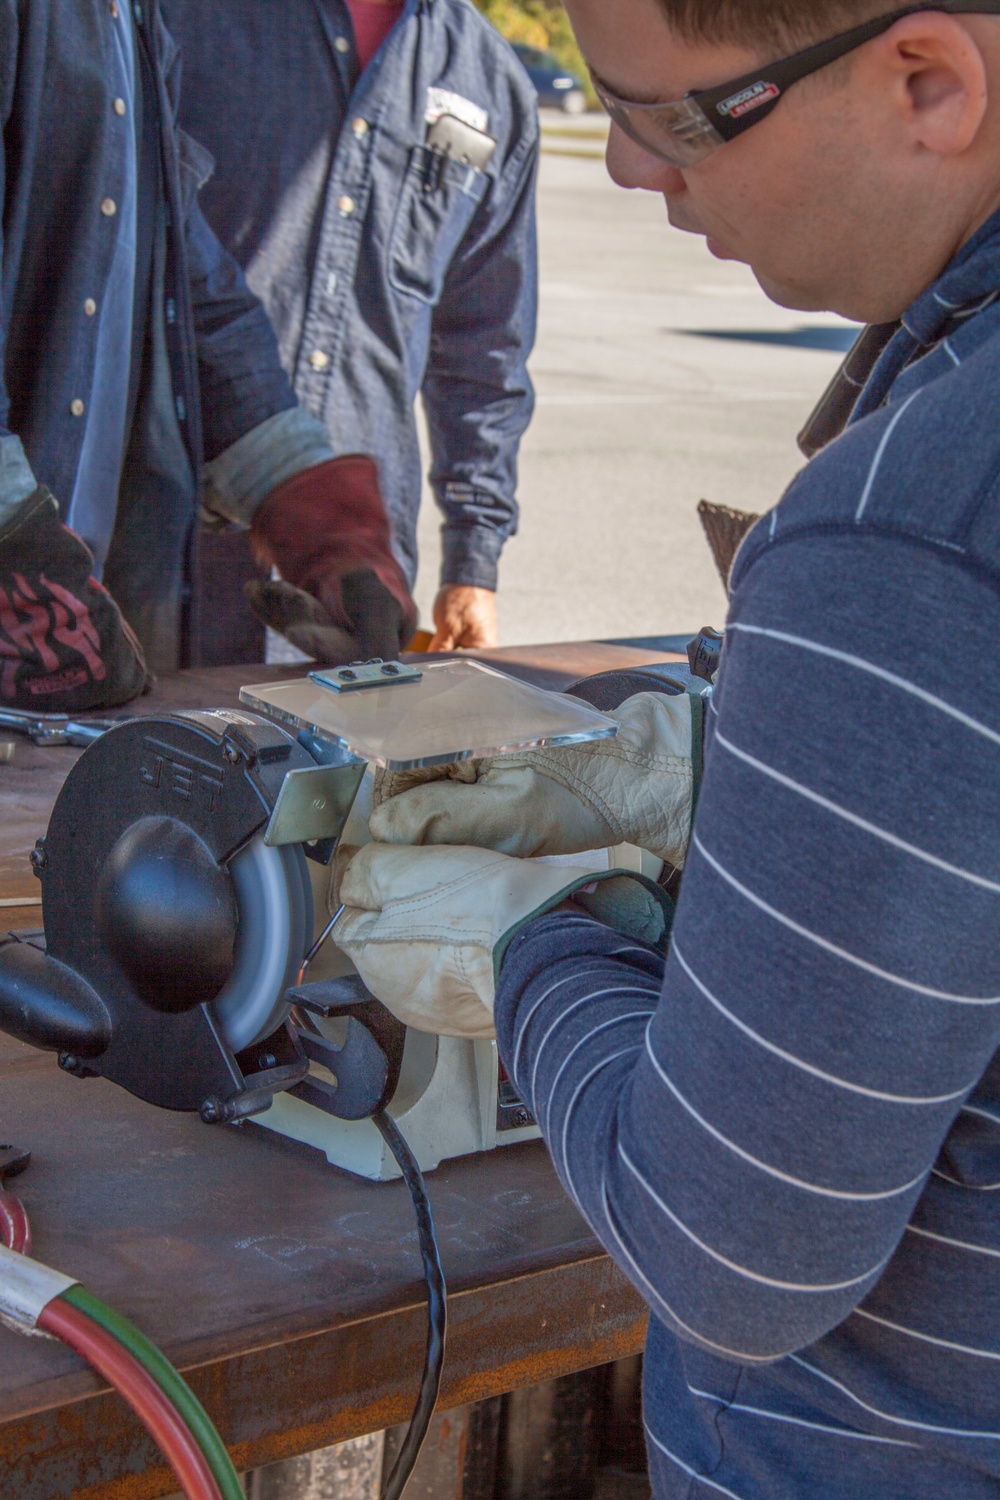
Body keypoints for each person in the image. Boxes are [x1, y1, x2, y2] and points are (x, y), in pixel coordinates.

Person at [325, 2, 1000, 1496]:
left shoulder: (908, 538)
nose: (629, 171)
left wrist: (538, 942)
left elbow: (733, 1253)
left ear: (931, 81)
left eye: (670, 118)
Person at [0, 0, 417, 711]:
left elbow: (187, 279)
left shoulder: (131, 17)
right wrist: (14, 542)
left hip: (80, 620)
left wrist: (316, 513)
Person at [161, 0, 540, 655]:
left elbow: (483, 349)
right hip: (163, 544)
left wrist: (473, 560)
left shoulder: (490, 83)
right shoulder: (182, 18)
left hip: (355, 584)